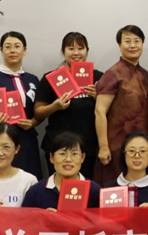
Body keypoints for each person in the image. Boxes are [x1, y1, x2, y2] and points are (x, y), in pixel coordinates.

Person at [34, 32, 104, 179]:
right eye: (71, 48)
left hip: (89, 147)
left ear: (87, 51)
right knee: (58, 187)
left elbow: (111, 111)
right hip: (58, 146)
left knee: (86, 188)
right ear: (63, 52)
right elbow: (38, 112)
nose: (76, 53)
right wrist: (55, 106)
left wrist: (98, 97)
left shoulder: (99, 77)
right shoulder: (51, 77)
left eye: (80, 48)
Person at [0, 31, 43, 180]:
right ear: (1, 51)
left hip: (26, 139)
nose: (12, 50)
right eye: (8, 47)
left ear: (24, 50)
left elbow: (39, 112)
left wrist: (32, 123)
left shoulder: (33, 79)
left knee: (29, 180)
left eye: (17, 46)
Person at [94, 24, 148, 186]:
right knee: (116, 191)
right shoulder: (112, 74)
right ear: (120, 46)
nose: (133, 45)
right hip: (116, 145)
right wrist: (103, 146)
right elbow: (99, 111)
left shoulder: (145, 74)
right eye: (127, 41)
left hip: (142, 146)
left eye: (137, 41)